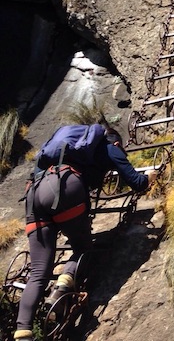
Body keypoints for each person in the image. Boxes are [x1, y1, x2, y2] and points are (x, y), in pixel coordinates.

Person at [14, 127, 156, 341]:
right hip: (65, 187)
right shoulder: (110, 147)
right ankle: (63, 285)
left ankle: (22, 332)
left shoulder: (61, 149)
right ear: (114, 140)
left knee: (38, 272)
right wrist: (149, 177)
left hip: (34, 192)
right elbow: (136, 183)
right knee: (82, 247)